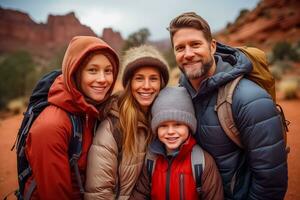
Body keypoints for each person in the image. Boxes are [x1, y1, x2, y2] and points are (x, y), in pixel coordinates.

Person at [168, 12, 288, 199]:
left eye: (195, 44)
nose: (188, 54)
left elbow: (270, 184)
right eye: (180, 48)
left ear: (213, 46)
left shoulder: (249, 100)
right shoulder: (181, 94)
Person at [24, 36, 120, 200]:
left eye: (108, 71)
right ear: (75, 72)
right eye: (92, 70)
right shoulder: (51, 126)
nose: (102, 79)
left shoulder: (89, 110)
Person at [84, 45, 170, 199]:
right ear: (129, 83)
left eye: (153, 78)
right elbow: (99, 194)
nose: (146, 86)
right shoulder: (112, 128)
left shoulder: (166, 122)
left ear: (161, 83)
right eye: (139, 78)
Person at [130, 86, 224, 200]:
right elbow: (140, 193)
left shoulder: (202, 161)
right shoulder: (150, 159)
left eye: (177, 125)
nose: (170, 132)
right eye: (163, 126)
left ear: (189, 126)